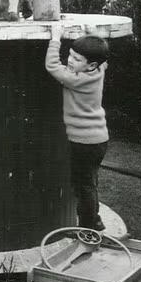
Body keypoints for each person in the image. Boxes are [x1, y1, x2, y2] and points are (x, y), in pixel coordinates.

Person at [45, 23, 109, 231]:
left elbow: (52, 66)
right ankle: (95, 220)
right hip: (99, 139)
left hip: (83, 142)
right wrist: (93, 35)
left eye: (76, 59)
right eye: (70, 55)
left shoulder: (75, 79)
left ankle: (89, 227)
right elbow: (103, 55)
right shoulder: (99, 70)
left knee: (83, 186)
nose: (70, 61)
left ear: (90, 65)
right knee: (90, 182)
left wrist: (55, 39)